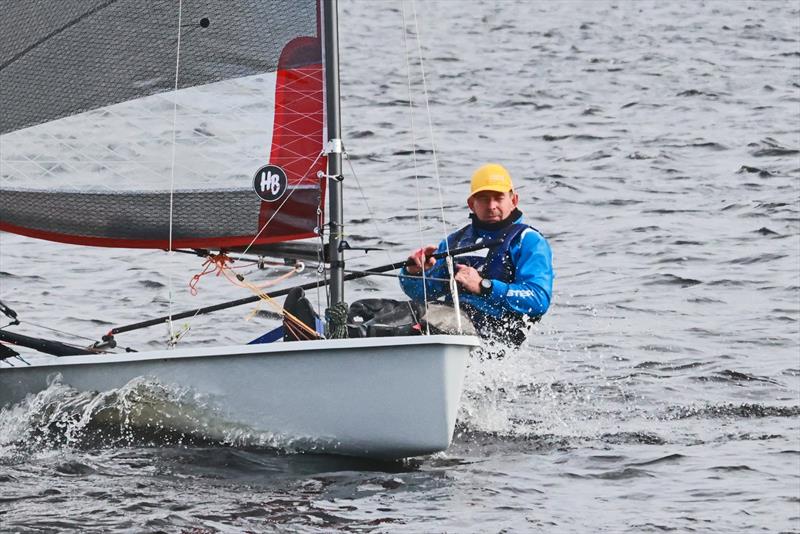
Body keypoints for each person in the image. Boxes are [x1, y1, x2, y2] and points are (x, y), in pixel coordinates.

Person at [398, 163, 553, 346]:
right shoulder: (454, 242)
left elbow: (538, 299)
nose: (491, 206)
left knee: (420, 321)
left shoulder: (528, 241)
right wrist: (414, 272)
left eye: (498, 198)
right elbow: (422, 293)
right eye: (484, 199)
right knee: (376, 311)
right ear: (471, 204)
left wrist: (483, 286)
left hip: (494, 336)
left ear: (514, 200)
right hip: (451, 324)